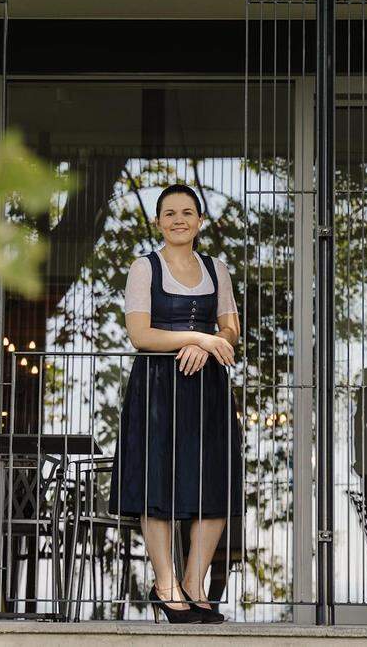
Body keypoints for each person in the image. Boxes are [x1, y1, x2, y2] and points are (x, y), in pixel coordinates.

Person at [109, 184, 243, 625]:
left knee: (214, 485)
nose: (179, 219)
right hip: (157, 387)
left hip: (207, 388)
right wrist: (198, 337)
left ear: (200, 221)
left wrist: (210, 346)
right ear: (158, 222)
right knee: (156, 485)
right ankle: (165, 585)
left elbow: (231, 331)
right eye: (170, 213)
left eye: (187, 212)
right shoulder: (143, 268)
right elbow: (141, 335)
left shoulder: (217, 268)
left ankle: (194, 582)